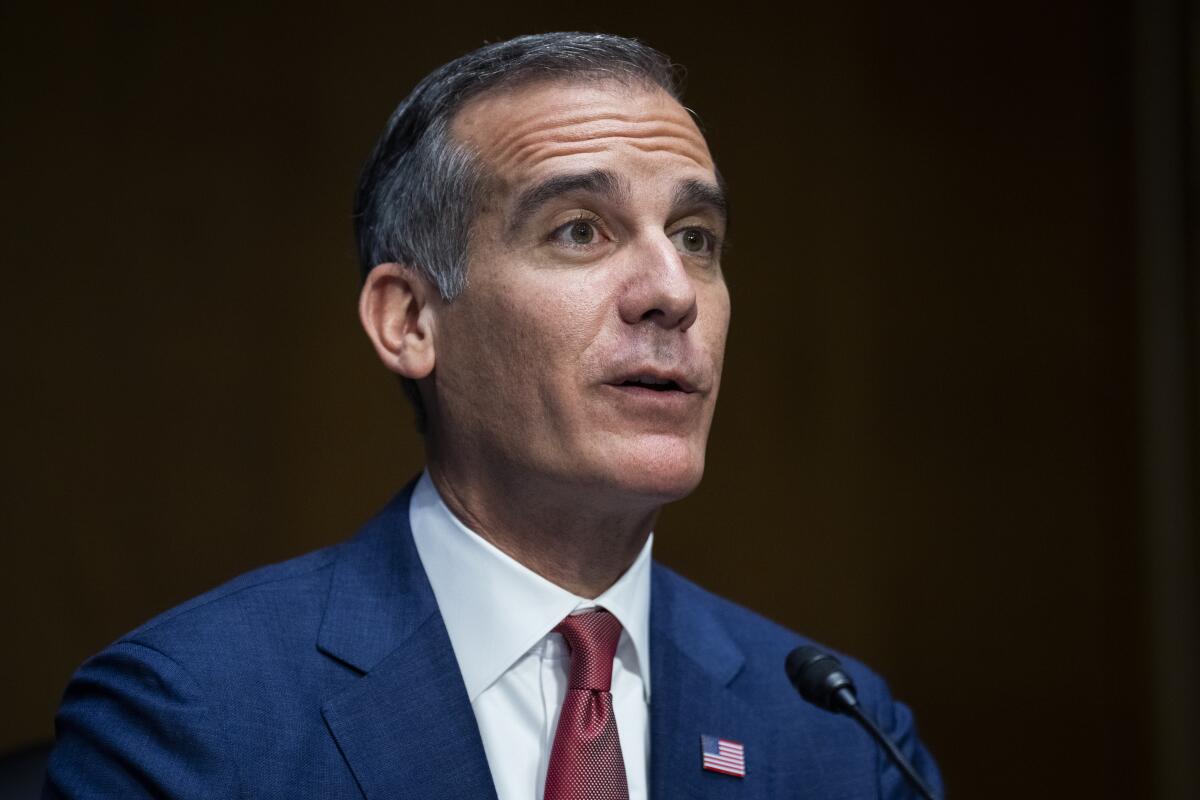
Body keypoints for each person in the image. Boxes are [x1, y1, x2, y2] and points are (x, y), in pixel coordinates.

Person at [44, 32, 941, 799]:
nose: (673, 292)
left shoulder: (839, 739)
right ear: (409, 320)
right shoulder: (190, 718)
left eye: (695, 238)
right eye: (579, 230)